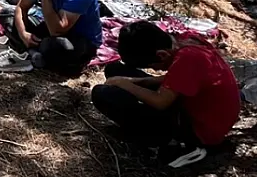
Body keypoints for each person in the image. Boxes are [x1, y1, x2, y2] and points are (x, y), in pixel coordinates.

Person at [91, 21, 240, 167]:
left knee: (102, 94)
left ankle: (166, 141)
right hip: (196, 109)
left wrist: (126, 84)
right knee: (114, 69)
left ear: (161, 55)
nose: (157, 70)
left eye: (154, 66)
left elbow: (161, 102)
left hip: (199, 130)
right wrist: (139, 81)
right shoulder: (187, 42)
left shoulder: (187, 59)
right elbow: (180, 78)